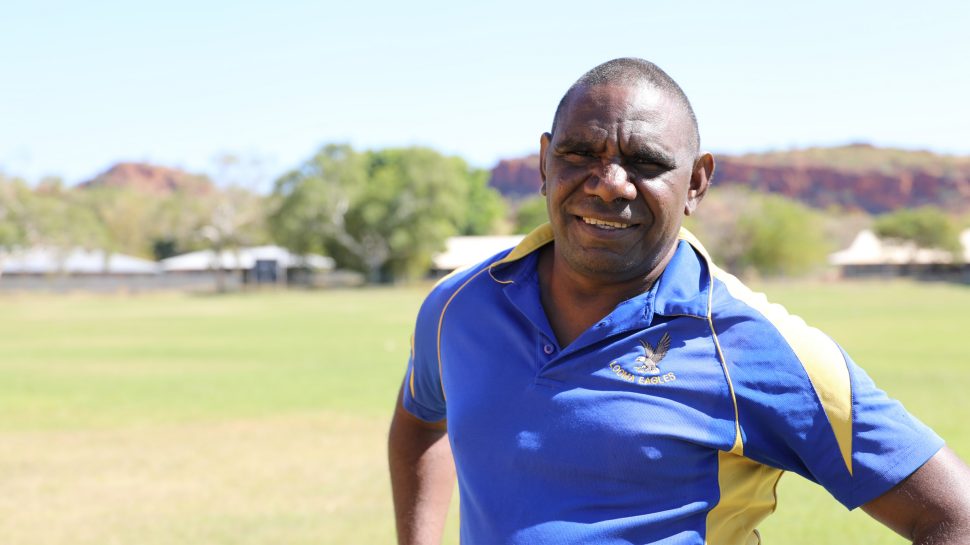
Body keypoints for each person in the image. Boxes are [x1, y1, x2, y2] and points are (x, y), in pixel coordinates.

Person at [387, 58, 970, 545]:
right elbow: (420, 420)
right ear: (544, 163)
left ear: (696, 182)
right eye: (579, 153)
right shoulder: (459, 305)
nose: (608, 181)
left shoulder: (753, 343)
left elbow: (953, 516)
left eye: (645, 163)